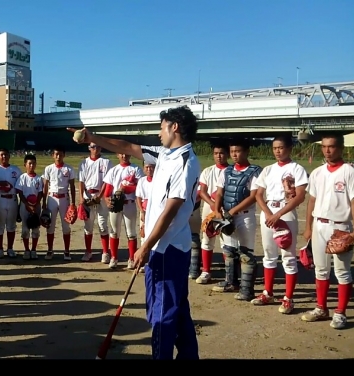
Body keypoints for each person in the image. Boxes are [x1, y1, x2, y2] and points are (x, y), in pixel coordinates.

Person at [68, 105, 201, 360]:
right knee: (177, 308)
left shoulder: (186, 162)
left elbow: (171, 210)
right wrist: (92, 137)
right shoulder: (165, 153)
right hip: (161, 245)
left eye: (161, 127)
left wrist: (146, 245)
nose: (159, 132)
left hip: (168, 247)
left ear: (174, 127)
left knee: (162, 313)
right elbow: (128, 147)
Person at [301, 133, 354, 329]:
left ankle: (340, 312)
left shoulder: (349, 172)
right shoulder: (317, 172)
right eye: (324, 146)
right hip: (319, 224)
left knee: (342, 271)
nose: (327, 150)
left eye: (331, 146)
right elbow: (312, 201)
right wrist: (308, 227)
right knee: (321, 269)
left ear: (340, 148)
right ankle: (321, 308)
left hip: (341, 226)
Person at [252, 136, 308, 313]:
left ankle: (288, 298)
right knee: (269, 254)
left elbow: (300, 196)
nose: (277, 151)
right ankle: (267, 293)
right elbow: (258, 194)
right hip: (269, 211)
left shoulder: (297, 168)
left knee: (288, 256)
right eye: (275, 148)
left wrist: (278, 214)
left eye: (281, 147)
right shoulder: (268, 169)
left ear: (289, 148)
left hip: (286, 212)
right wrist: (269, 213)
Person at [212, 138, 262, 301]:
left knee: (246, 253)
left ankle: (247, 290)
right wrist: (216, 210)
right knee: (229, 250)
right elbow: (220, 192)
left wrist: (232, 211)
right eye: (232, 151)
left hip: (244, 216)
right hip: (227, 216)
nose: (234, 154)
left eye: (238, 151)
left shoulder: (254, 171)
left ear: (246, 152)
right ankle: (231, 282)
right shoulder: (226, 171)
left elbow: (253, 196)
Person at [194, 141, 230, 284]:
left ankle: (229, 273)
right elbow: (202, 192)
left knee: (226, 241)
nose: (219, 156)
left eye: (221, 153)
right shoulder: (208, 171)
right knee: (207, 238)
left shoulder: (232, 171)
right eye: (216, 153)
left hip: (226, 209)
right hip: (210, 207)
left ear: (227, 154)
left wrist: (219, 206)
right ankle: (206, 271)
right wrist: (213, 204)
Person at [103, 153, 144, 269]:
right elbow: (108, 190)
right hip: (116, 204)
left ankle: (131, 259)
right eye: (121, 154)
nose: (124, 156)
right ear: (117, 155)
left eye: (126, 154)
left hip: (129, 203)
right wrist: (107, 200)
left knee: (131, 233)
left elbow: (140, 187)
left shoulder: (136, 169)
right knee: (114, 232)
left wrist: (125, 188)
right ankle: (114, 257)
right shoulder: (114, 170)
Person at [78, 143, 113, 263]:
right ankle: (88, 251)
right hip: (88, 195)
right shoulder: (84, 163)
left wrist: (100, 195)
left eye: (98, 146)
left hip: (101, 196)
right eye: (93, 147)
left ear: (101, 148)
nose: (95, 149)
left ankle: (105, 252)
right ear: (89, 148)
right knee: (88, 226)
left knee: (102, 224)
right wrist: (81, 197)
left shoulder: (106, 162)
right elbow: (81, 181)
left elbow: (107, 181)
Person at [0, 148, 21, 258]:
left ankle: (10, 248)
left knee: (11, 225)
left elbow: (21, 185)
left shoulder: (15, 169)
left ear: (9, 156)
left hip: (12, 198)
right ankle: (0, 248)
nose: (4, 157)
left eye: (6, 154)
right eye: (1, 155)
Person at [42, 146, 76, 261]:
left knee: (66, 226)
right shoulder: (48, 168)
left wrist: (73, 203)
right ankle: (50, 250)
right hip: (52, 198)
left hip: (64, 199)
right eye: (56, 154)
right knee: (50, 225)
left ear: (64, 155)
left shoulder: (69, 169)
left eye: (60, 154)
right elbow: (45, 186)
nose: (58, 156)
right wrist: (44, 202)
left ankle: (66, 251)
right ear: (53, 155)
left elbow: (72, 186)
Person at [15, 154, 43, 260]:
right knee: (25, 229)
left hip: (36, 206)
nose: (32, 165)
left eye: (33, 163)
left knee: (35, 228)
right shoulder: (22, 177)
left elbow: (40, 193)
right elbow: (20, 193)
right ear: (25, 165)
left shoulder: (38, 178)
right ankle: (27, 250)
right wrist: (27, 205)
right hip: (25, 205)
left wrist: (35, 205)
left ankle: (34, 249)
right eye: (29, 163)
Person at [135, 156, 155, 247]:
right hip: (145, 210)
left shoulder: (159, 181)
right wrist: (142, 212)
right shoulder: (141, 181)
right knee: (144, 233)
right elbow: (138, 197)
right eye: (147, 167)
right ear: (143, 168)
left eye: (151, 167)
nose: (149, 169)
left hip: (155, 211)